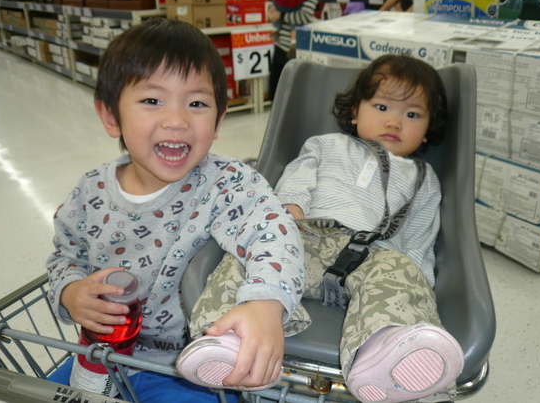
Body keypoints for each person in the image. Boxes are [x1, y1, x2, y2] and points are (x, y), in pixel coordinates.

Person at [45, 18, 305, 399]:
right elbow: (65, 257)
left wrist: (265, 305)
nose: (177, 120)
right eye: (152, 100)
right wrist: (70, 292)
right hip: (102, 354)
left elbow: (275, 232)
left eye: (197, 103)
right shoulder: (90, 192)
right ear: (110, 115)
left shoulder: (227, 182)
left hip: (195, 364)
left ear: (219, 119)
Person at [180, 54, 464, 403]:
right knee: (246, 257)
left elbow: (421, 238)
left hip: (375, 258)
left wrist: (419, 288)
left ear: (427, 129)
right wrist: (286, 221)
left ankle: (383, 351)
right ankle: (227, 338)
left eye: (412, 114)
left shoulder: (423, 178)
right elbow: (296, 183)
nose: (395, 121)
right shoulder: (326, 144)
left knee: (403, 273)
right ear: (356, 112)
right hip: (306, 239)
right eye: (381, 106)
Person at [267, 0, 322, 101]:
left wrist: (281, 16)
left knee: (293, 100)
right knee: (276, 98)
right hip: (281, 45)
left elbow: (305, 15)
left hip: (296, 49)